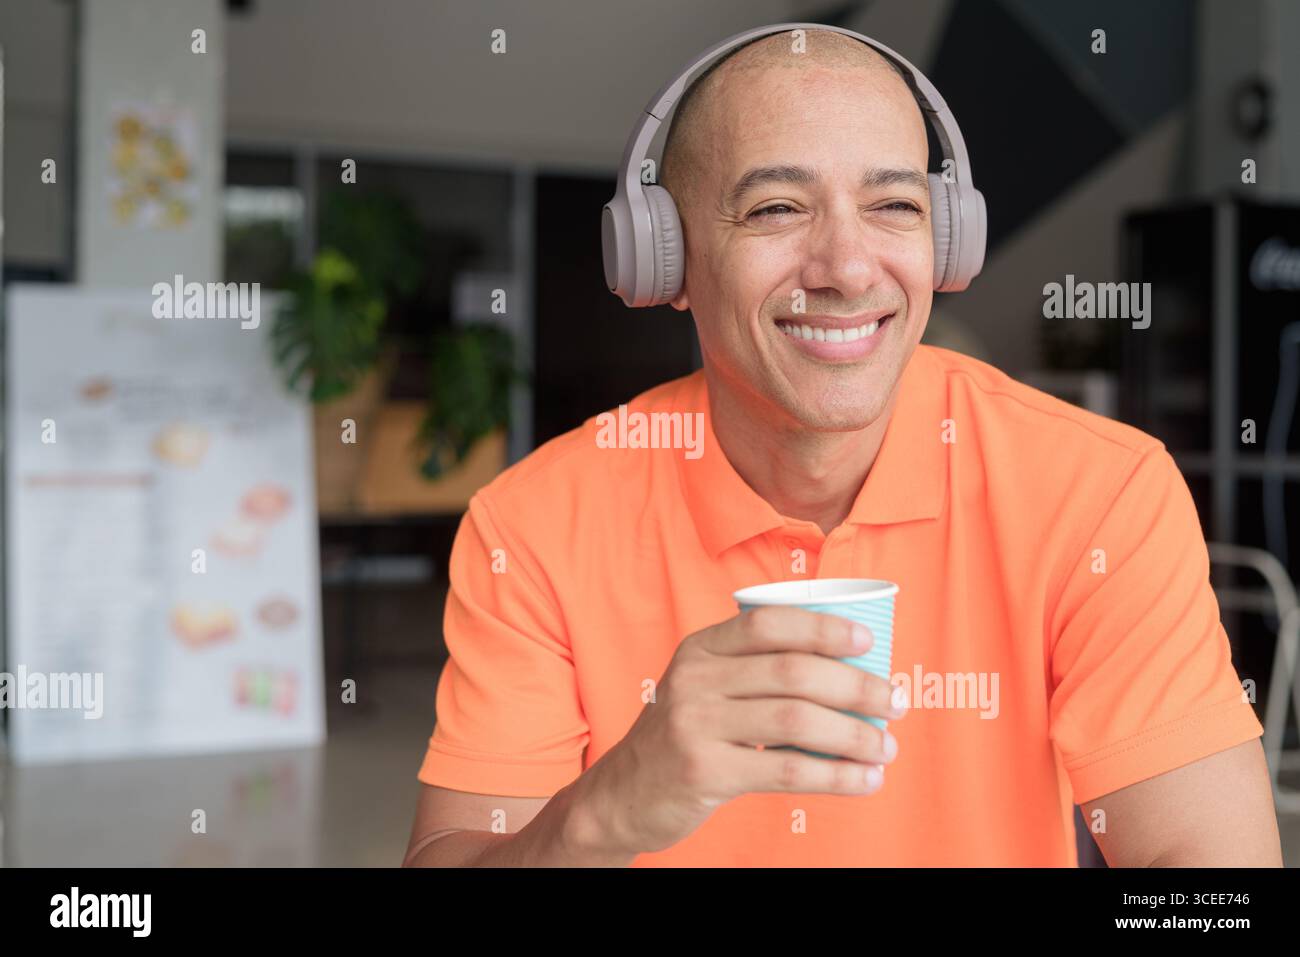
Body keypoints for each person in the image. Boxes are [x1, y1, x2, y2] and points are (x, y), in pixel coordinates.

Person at [404, 26, 1282, 866]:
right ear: (663, 257)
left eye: (893, 203)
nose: (848, 267)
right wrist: (605, 810)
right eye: (777, 206)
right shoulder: (531, 529)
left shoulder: (1100, 493)